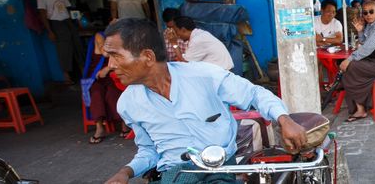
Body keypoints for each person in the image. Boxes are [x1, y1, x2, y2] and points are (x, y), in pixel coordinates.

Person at [103, 18, 307, 184]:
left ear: (148, 56)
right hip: (175, 174)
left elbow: (253, 94)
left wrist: (284, 119)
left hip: (221, 169)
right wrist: (126, 171)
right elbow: (149, 150)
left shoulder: (204, 75)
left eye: (116, 56)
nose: (110, 65)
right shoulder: (128, 104)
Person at [339, 0, 375, 122]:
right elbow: (363, 43)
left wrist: (349, 59)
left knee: (351, 67)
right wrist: (360, 31)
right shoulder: (371, 25)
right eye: (365, 12)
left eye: (371, 11)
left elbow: (367, 48)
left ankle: (361, 109)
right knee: (349, 69)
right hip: (374, 59)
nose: (368, 15)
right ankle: (361, 107)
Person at [86, 32, 126, 144]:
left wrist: (107, 69)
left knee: (113, 92)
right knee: (96, 93)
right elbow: (105, 53)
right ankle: (99, 128)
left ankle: (125, 124)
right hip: (96, 77)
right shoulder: (99, 36)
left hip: (112, 76)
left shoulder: (119, 41)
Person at [37, 0, 84, 84]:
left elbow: (69, 9)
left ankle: (84, 72)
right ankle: (66, 76)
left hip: (67, 21)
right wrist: (50, 31)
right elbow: (42, 15)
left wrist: (78, 21)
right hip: (55, 23)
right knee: (63, 50)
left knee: (77, 46)